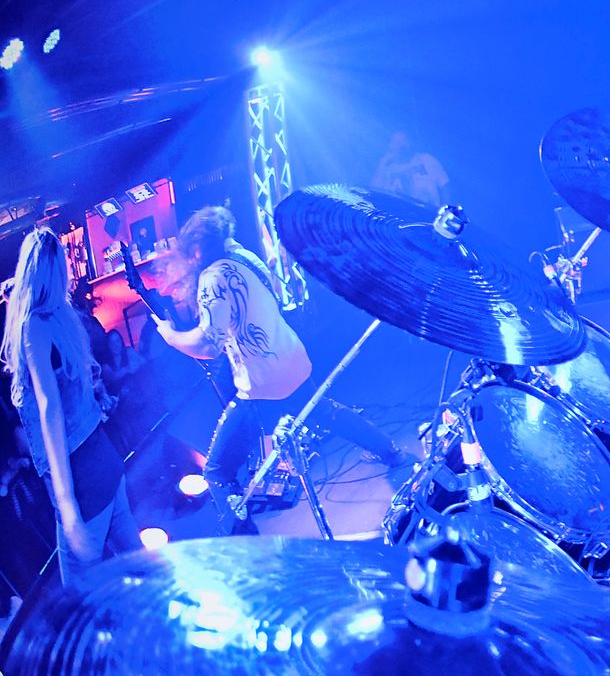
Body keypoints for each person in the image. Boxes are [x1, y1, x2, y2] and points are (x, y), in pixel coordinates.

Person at [154, 206, 414, 532]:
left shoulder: (213, 278)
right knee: (325, 412)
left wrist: (170, 335)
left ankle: (246, 540)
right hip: (291, 360)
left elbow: (208, 345)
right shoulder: (245, 255)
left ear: (196, 249)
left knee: (217, 471)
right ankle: (391, 452)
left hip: (263, 383)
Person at [1, 226, 139, 586]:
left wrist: (66, 502)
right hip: (103, 456)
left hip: (79, 475)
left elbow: (50, 411)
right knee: (138, 563)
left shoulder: (32, 327)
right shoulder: (64, 318)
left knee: (80, 595)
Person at [372, 131, 450, 207]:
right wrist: (381, 166)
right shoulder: (386, 168)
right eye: (396, 142)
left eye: (403, 141)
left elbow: (444, 187)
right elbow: (374, 195)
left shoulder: (427, 160)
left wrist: (445, 211)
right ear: (389, 145)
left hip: (428, 213)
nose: (401, 146)